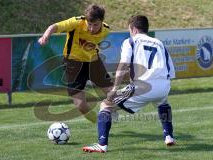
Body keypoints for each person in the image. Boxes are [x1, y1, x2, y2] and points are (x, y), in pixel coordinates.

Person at [82, 15, 176, 153]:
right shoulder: (159, 43)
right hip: (163, 85)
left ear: (134, 29)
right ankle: (168, 136)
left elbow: (124, 64)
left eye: (130, 30)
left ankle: (102, 144)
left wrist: (115, 88)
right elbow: (170, 71)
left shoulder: (130, 41)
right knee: (163, 102)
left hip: (143, 87)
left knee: (106, 105)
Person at [38, 4, 113, 123]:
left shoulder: (106, 30)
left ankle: (108, 114)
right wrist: (45, 36)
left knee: (113, 94)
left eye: (96, 25)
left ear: (102, 22)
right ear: (86, 20)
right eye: (90, 25)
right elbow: (54, 26)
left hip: (93, 62)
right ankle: (99, 123)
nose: (92, 29)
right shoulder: (76, 23)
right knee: (81, 106)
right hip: (73, 64)